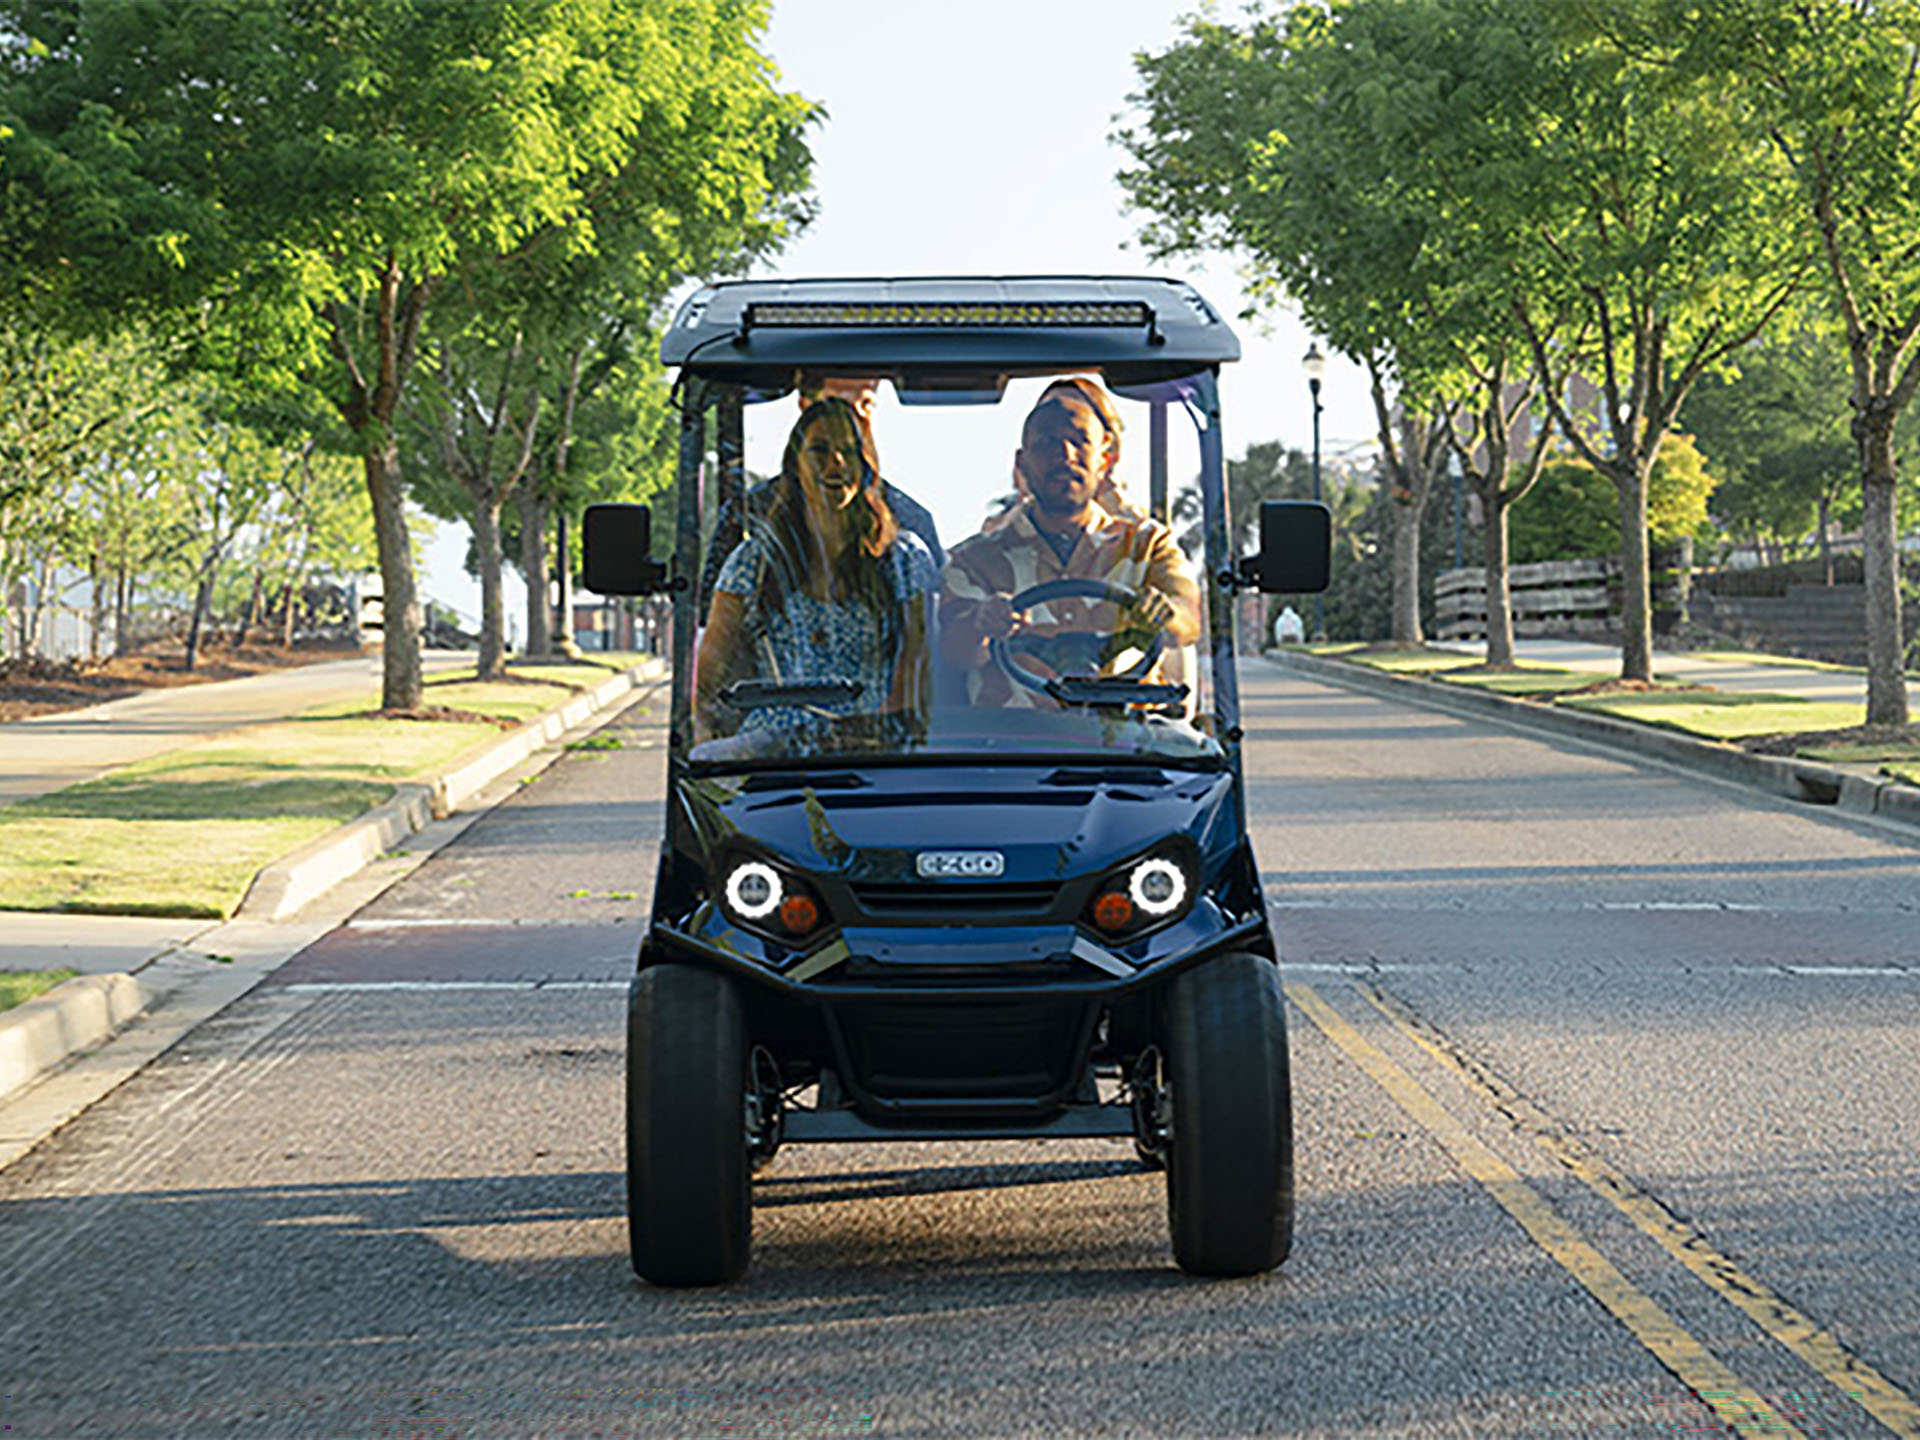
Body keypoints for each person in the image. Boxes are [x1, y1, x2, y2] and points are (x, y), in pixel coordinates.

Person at [940, 384, 1202, 707]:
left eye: (1079, 441)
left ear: (1105, 460)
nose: (1064, 455)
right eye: (1047, 442)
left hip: (1126, 743)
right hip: (1012, 744)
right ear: (1022, 464)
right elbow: (953, 649)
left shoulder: (1148, 545)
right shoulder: (975, 559)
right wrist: (981, 622)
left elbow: (1188, 619)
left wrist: (1164, 612)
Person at [695, 397, 938, 741]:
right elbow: (710, 678)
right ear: (794, 465)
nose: (836, 463)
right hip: (776, 756)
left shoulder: (904, 560)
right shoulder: (754, 562)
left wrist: (871, 739)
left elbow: (916, 672)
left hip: (872, 747)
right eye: (820, 450)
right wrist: (708, 748)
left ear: (865, 465)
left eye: (849, 451)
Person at [699, 376, 943, 606]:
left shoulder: (911, 523)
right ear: (806, 407)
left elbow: (933, 628)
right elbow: (713, 617)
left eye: (865, 405)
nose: (852, 417)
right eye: (837, 402)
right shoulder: (749, 516)